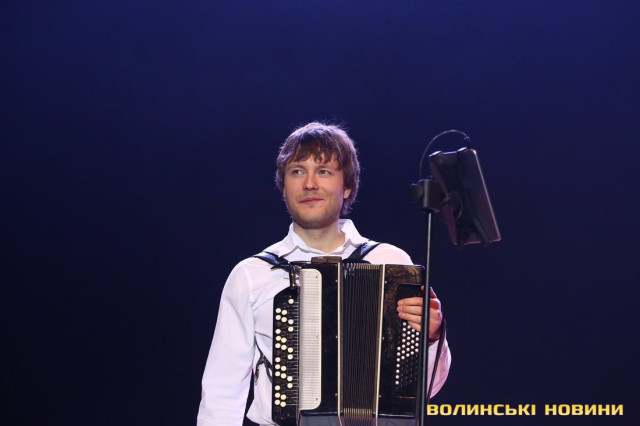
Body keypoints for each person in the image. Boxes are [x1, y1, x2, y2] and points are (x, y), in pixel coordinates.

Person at [197, 122, 451, 425]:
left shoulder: (390, 263)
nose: (309, 184)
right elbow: (221, 392)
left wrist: (432, 338)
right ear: (283, 186)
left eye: (324, 171)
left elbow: (424, 391)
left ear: (347, 186)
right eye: (297, 171)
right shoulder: (252, 274)